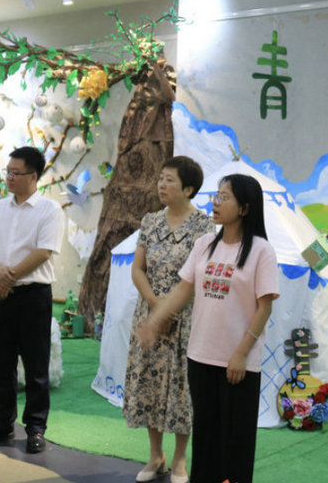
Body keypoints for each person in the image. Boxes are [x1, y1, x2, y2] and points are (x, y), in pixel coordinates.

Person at [139, 174, 279, 483]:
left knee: (235, 443)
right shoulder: (204, 245)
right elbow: (182, 290)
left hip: (238, 363)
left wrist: (241, 354)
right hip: (200, 357)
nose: (215, 202)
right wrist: (154, 320)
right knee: (205, 439)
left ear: (244, 208)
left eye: (224, 197)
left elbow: (264, 308)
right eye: (216, 195)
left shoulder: (261, 251)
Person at [124, 157, 213, 483]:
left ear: (188, 189)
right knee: (149, 384)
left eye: (169, 180)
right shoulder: (150, 221)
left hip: (185, 319)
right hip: (150, 313)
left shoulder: (204, 226)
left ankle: (179, 460)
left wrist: (171, 310)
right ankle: (155, 456)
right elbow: (138, 268)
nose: (162, 185)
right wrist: (155, 305)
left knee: (180, 389)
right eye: (161, 178)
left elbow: (200, 275)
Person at [0, 146, 65, 454]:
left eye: (16, 173)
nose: (9, 178)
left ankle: (36, 428)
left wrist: (7, 279)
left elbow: (43, 252)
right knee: (1, 364)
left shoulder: (49, 210)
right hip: (2, 293)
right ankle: (2, 423)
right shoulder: (0, 208)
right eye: (8, 172)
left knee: (35, 365)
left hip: (32, 295)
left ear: (33, 176)